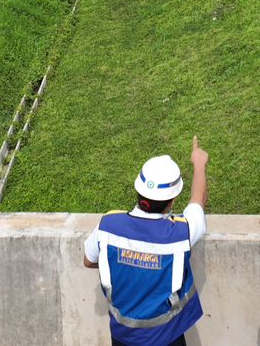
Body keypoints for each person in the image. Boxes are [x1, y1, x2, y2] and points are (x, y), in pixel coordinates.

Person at [83, 137, 210, 346]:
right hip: (167, 336)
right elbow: (198, 199)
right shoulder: (181, 232)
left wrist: (128, 261)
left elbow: (89, 260)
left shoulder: (107, 226)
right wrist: (198, 164)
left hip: (122, 336)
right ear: (172, 200)